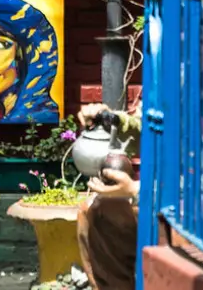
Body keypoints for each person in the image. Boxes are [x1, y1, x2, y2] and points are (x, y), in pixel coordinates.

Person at [72, 102, 141, 290]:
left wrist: (136, 190)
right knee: (92, 211)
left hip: (189, 212)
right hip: (154, 195)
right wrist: (111, 119)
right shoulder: (167, 82)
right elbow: (143, 129)